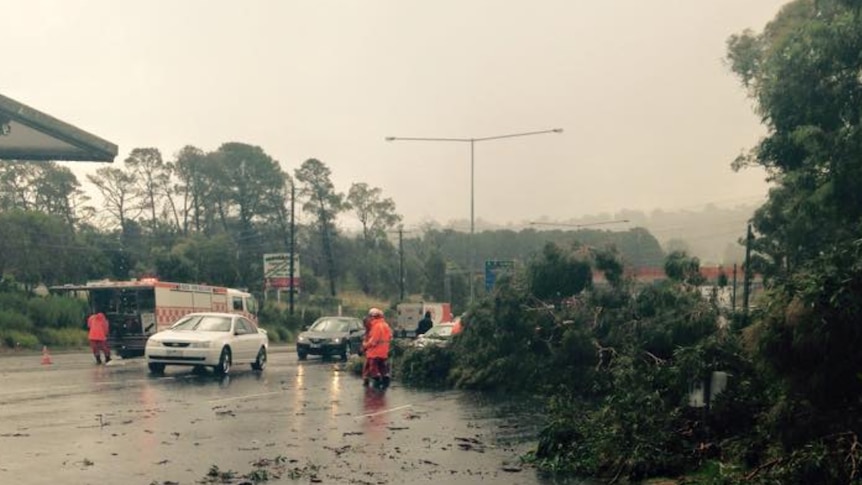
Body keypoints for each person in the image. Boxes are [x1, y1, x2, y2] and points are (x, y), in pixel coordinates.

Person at [362, 307, 392, 388]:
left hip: (374, 352)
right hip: (384, 352)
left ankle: (377, 380)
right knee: (382, 367)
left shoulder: (376, 326)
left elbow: (373, 341)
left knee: (373, 368)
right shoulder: (386, 325)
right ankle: (385, 378)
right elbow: (390, 336)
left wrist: (365, 346)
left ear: (372, 317)